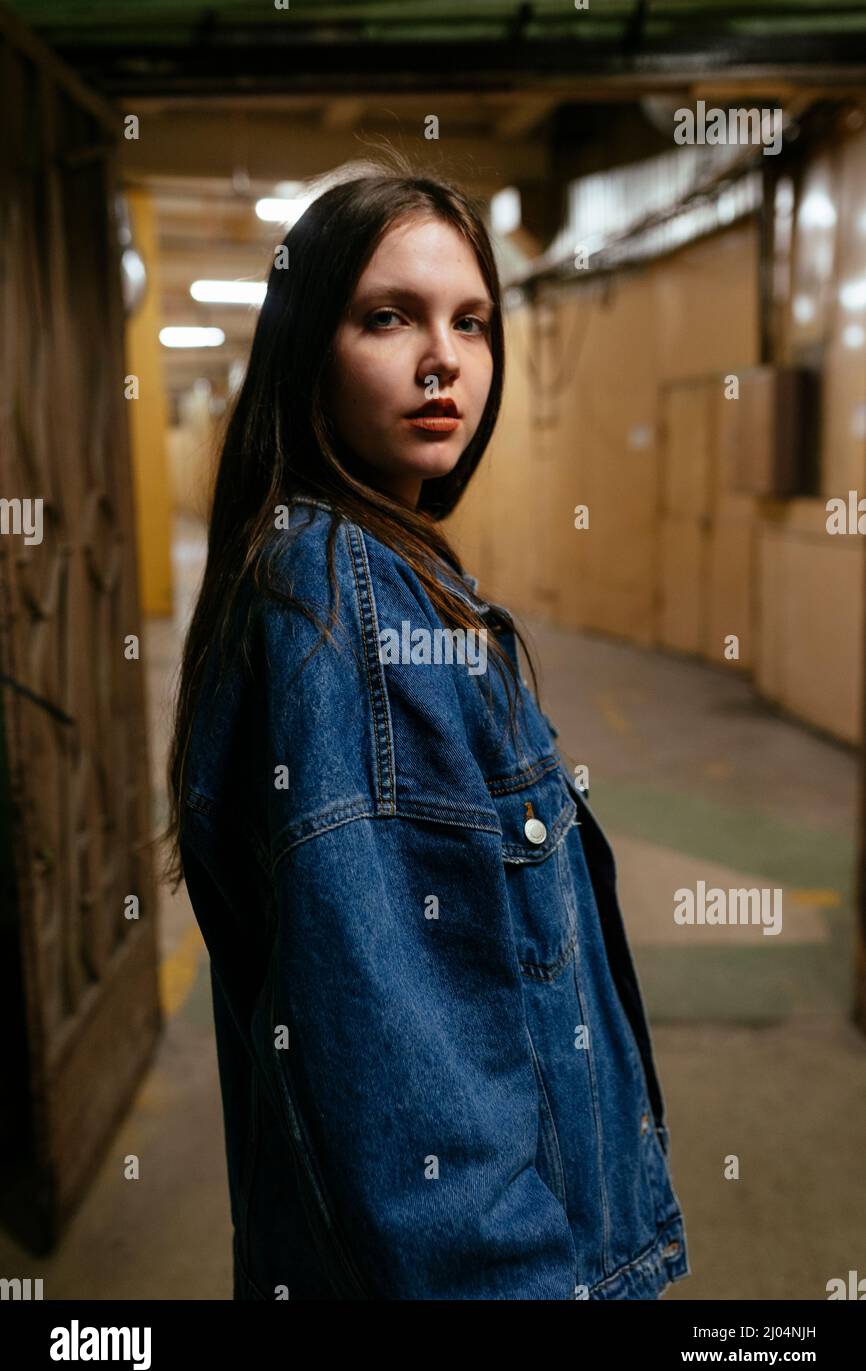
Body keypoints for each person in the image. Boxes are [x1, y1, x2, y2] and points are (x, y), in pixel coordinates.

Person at [161, 155, 691, 1300]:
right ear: (310, 345)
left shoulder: (348, 571)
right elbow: (414, 1094)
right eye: (387, 316)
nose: (443, 358)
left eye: (473, 322)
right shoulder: (345, 599)